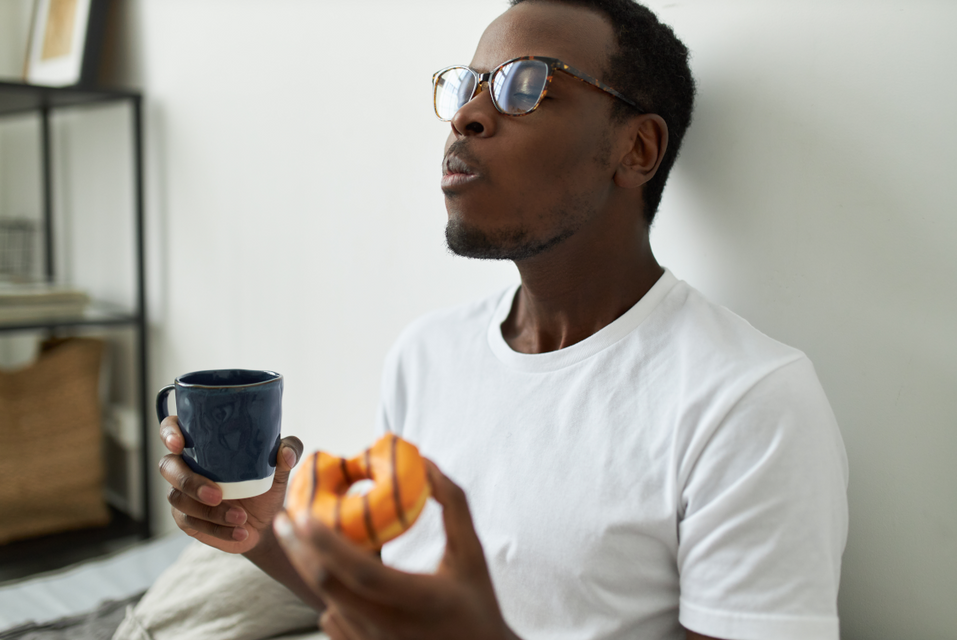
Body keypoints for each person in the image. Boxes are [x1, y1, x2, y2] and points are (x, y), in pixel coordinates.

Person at [159, 0, 849, 638]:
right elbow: (395, 612)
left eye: (525, 85)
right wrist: (258, 529)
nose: (467, 116)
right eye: (466, 87)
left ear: (635, 150)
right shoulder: (427, 353)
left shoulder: (749, 402)